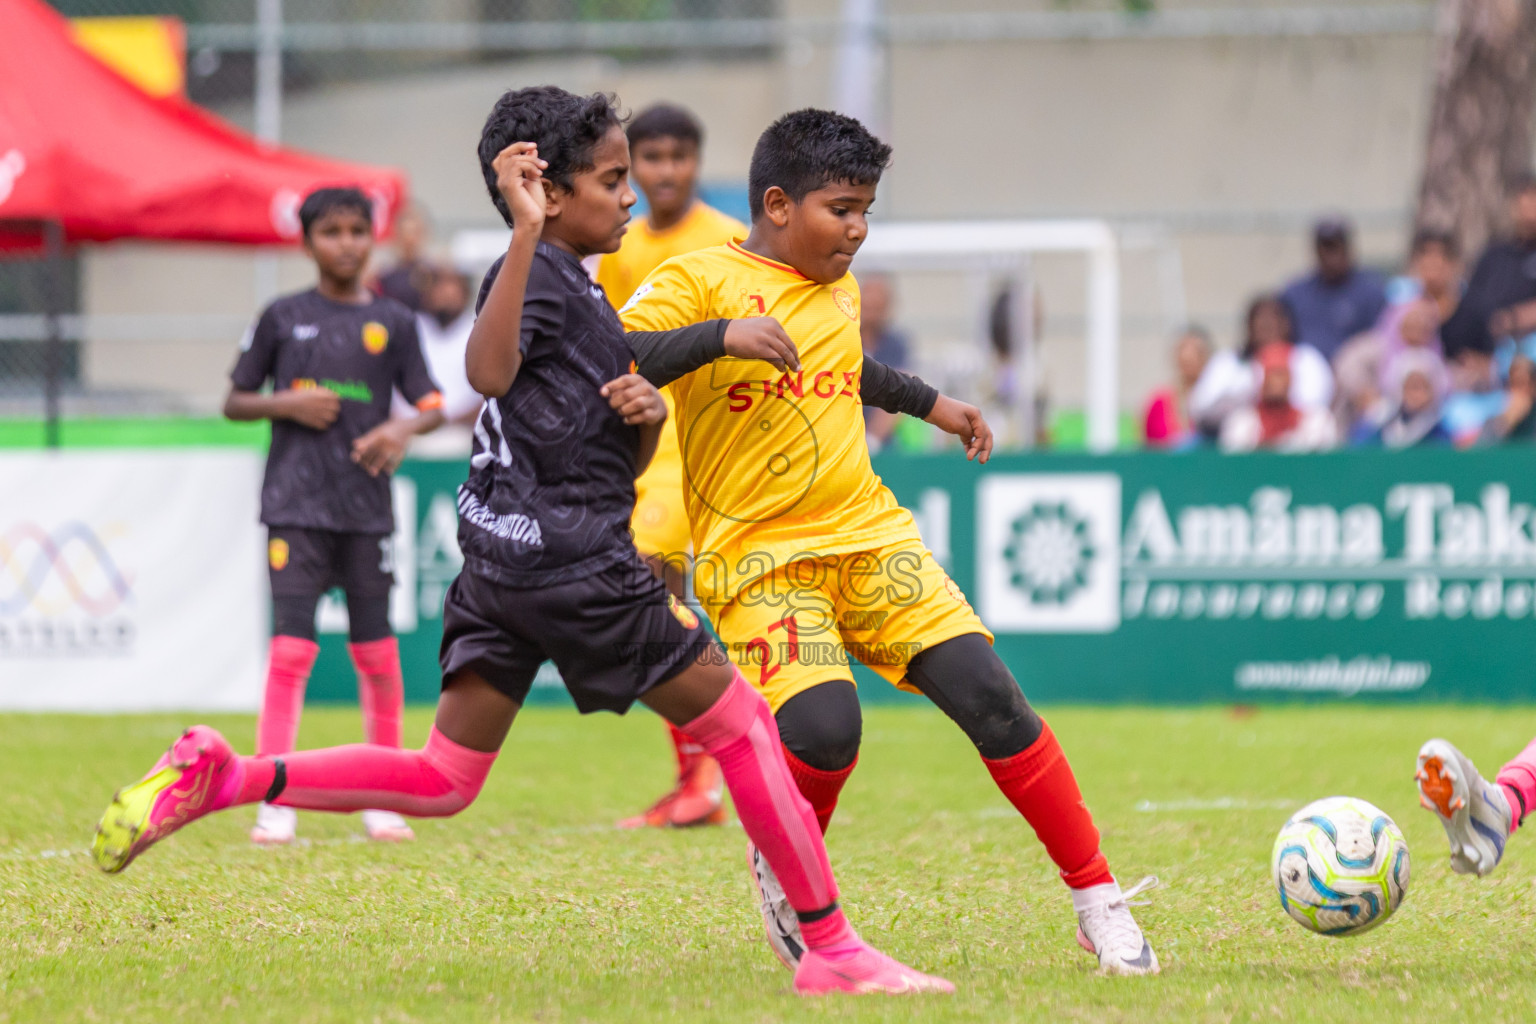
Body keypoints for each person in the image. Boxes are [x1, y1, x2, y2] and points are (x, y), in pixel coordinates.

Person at [92, 87, 950, 998]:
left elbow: (588, 413)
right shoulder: (537, 270)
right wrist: (527, 229)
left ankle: (230, 776)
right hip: (572, 563)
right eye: (613, 180)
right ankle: (832, 950)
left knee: (445, 776)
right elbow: (486, 371)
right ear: (546, 189)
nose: (628, 198)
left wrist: (649, 413)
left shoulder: (573, 282)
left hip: (501, 559)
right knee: (744, 727)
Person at [619, 108, 1159, 976]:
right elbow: (616, 349)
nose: (859, 230)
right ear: (778, 203)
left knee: (993, 698)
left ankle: (1099, 902)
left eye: (868, 209)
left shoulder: (834, 281)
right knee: (829, 731)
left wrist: (930, 403)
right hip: (759, 560)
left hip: (870, 537)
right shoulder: (701, 279)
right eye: (843, 208)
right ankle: (790, 874)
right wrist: (721, 337)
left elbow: (846, 364)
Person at [220, 187, 447, 845]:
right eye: (332, 232)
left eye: (356, 231)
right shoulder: (282, 317)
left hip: (367, 511)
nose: (346, 243)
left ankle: (383, 797)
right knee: (292, 649)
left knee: (376, 654)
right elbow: (235, 400)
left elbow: (431, 403)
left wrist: (399, 430)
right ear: (308, 241)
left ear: (372, 238)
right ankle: (273, 795)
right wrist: (288, 404)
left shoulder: (394, 322)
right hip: (295, 508)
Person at [592, 102, 747, 830]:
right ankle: (705, 774)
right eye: (650, 159)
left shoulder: (730, 240)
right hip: (649, 446)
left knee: (659, 598)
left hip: (711, 442)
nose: (664, 172)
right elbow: (617, 347)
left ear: (696, 162)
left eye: (677, 158)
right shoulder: (621, 249)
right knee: (655, 600)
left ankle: (711, 770)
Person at [392, 260, 482, 457]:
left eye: (453, 286)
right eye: (439, 286)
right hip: (407, 439)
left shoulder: (479, 331)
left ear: (465, 292)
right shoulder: (410, 326)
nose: (446, 294)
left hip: (463, 440)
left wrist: (450, 421)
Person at [1440, 174, 1536, 358]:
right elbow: (1470, 297)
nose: (1528, 212)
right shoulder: (1494, 253)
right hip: (1482, 341)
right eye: (1523, 203)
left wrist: (1511, 319)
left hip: (1526, 343)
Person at [1280, 216, 1387, 361]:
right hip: (1307, 374)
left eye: (1336, 247)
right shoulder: (1295, 294)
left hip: (1353, 376)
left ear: (1348, 249)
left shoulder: (1370, 291)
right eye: (1325, 248)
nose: (1330, 256)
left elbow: (1381, 340)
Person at [1219, 342, 1338, 452]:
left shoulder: (1317, 421)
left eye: (1280, 374)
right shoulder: (1241, 422)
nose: (1274, 381)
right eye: (1269, 373)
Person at [859, 273, 910, 449]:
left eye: (878, 306)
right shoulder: (843, 338)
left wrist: (872, 440)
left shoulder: (896, 344)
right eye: (868, 306)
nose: (872, 312)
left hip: (883, 445)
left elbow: (901, 389)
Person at [1355, 351, 1450, 448]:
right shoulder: (1382, 421)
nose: (1417, 395)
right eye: (1412, 387)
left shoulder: (1439, 429)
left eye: (1424, 387)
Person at [1143, 326, 1211, 448]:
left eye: (1197, 353)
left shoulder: (1215, 401)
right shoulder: (1159, 402)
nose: (1188, 357)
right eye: (1182, 350)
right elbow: (1148, 447)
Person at [372, 202, 432, 312]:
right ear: (397, 233)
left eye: (414, 233)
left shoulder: (431, 271)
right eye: (405, 232)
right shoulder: (384, 271)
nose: (409, 239)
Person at [1480, 354, 1536, 443]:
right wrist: (1505, 424)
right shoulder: (1492, 422)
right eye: (1514, 383)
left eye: (1524, 383)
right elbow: (1485, 451)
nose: (1520, 391)